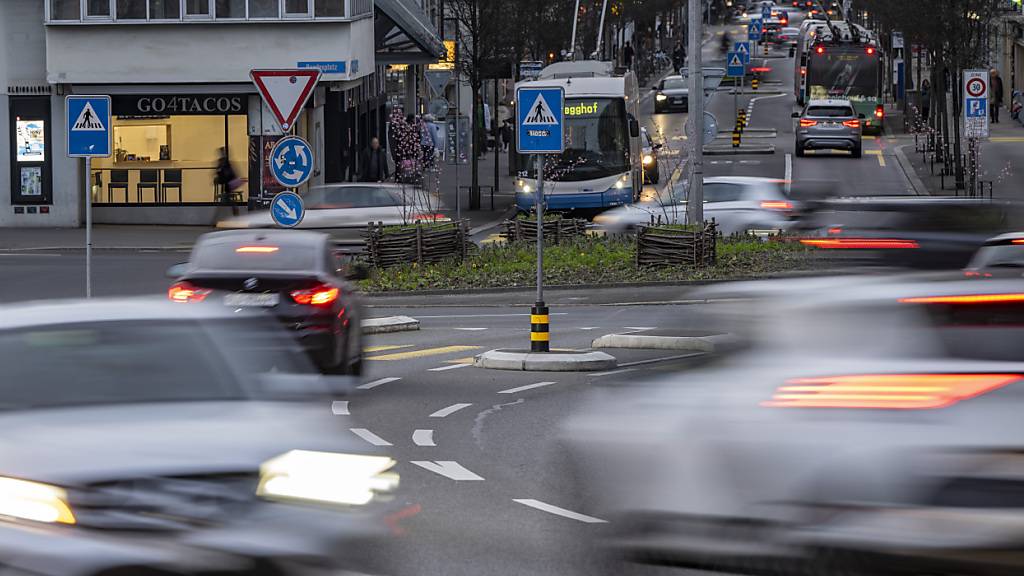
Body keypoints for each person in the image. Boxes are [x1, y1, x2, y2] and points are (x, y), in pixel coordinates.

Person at [214, 147, 241, 217]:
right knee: (226, 198)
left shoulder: (224, 161)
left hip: (228, 182)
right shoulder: (224, 161)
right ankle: (234, 211)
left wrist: (219, 175)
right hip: (228, 182)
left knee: (226, 198)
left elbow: (221, 172)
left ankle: (217, 217)